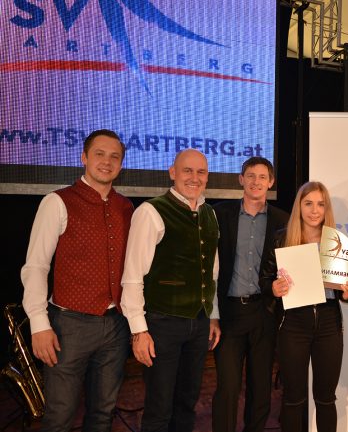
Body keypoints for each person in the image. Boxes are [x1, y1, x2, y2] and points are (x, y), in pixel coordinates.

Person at [21, 129, 133, 432]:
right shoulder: (57, 202)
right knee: (59, 416)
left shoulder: (126, 207)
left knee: (103, 414)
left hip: (116, 325)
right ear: (84, 157)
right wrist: (39, 324)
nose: (107, 162)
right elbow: (36, 266)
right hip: (69, 326)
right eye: (100, 154)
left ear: (121, 164)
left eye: (115, 157)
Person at [121, 148, 221, 432]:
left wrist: (212, 315)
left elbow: (212, 272)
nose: (194, 177)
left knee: (187, 403)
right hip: (162, 324)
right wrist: (139, 331)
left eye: (201, 172)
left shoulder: (210, 214)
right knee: (159, 408)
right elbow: (132, 276)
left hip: (199, 323)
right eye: (187, 170)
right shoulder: (151, 211)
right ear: (172, 172)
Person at [259, 181, 348, 432]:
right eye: (308, 204)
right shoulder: (282, 238)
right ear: (299, 207)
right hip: (293, 324)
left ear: (327, 209)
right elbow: (265, 279)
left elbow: (342, 291)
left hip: (329, 324)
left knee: (326, 398)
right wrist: (273, 288)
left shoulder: (337, 242)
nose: (315, 210)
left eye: (321, 204)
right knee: (293, 398)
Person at [211, 157, 289, 432]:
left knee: (260, 388)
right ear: (241, 179)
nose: (256, 182)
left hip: (264, 313)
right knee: (227, 388)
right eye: (251, 176)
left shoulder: (283, 221)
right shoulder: (219, 215)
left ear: (271, 182)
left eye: (262, 177)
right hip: (229, 314)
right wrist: (212, 315)